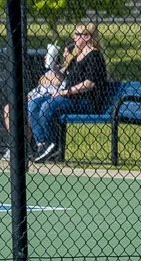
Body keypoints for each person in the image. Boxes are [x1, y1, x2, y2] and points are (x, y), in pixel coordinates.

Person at [28, 22, 108, 163]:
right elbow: (64, 77)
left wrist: (67, 92)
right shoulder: (76, 56)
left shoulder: (95, 56)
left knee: (48, 106)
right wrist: (53, 66)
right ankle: (42, 145)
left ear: (88, 37)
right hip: (71, 98)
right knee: (34, 104)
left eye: (77, 34)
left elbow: (89, 84)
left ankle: (52, 144)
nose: (74, 37)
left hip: (86, 101)